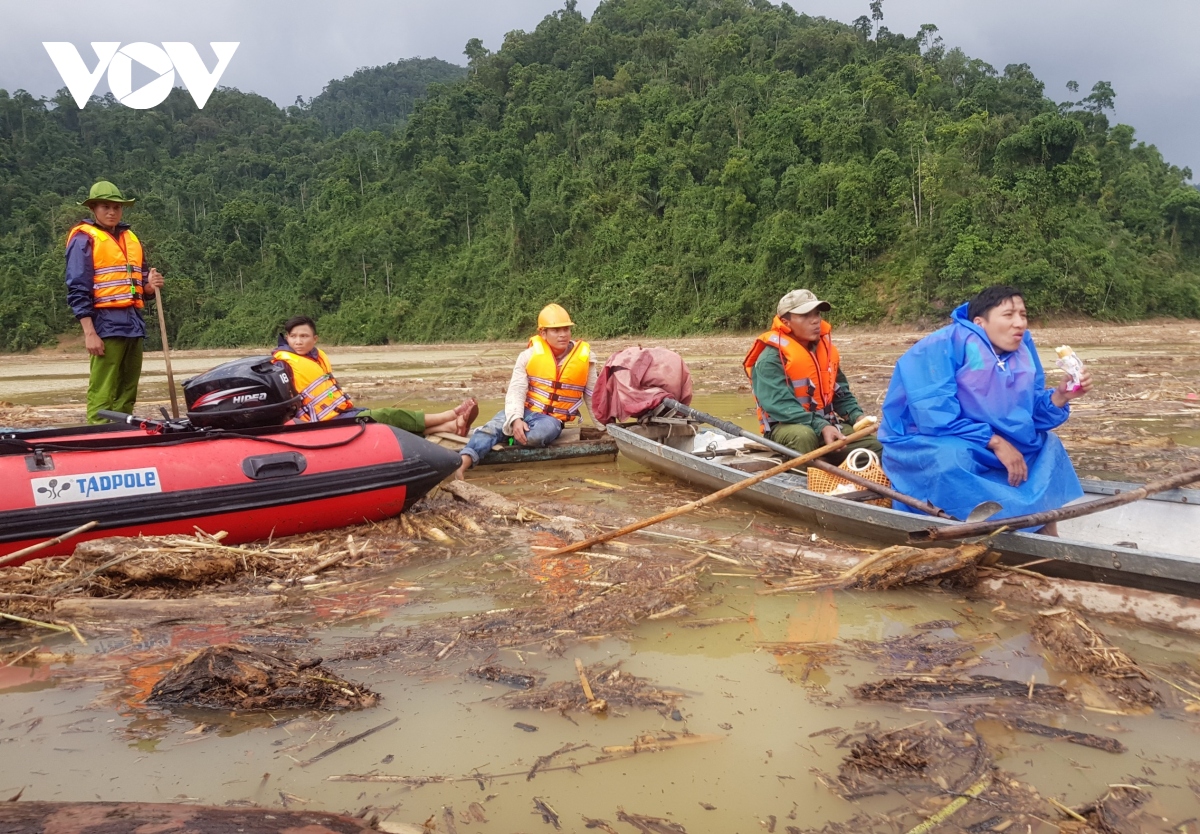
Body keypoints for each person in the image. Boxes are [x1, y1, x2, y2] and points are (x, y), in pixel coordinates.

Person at [878, 285, 1092, 528]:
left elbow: (1029, 413)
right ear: (980, 322)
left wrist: (1061, 396)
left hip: (991, 439)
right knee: (951, 458)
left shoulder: (1022, 349)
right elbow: (934, 417)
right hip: (929, 438)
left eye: (1023, 315)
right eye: (1008, 315)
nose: (1019, 323)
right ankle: (961, 525)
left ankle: (1041, 528)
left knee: (1048, 445)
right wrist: (996, 442)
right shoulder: (943, 345)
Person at [271, 315, 477, 435]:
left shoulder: (317, 357)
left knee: (382, 424)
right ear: (287, 338)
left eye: (304, 336)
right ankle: (450, 415)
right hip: (320, 423)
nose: (298, 341)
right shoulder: (282, 364)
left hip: (338, 414)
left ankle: (450, 426)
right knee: (387, 415)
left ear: (315, 339)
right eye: (293, 336)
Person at [456, 303, 597, 478]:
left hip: (551, 420)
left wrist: (603, 427)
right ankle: (462, 464)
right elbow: (516, 390)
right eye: (556, 330)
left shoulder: (586, 357)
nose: (563, 334)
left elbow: (593, 396)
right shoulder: (528, 356)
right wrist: (516, 419)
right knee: (492, 428)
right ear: (543, 333)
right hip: (525, 411)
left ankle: (502, 435)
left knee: (535, 436)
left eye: (566, 329)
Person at [66, 181, 166, 423]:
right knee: (103, 388)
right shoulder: (83, 239)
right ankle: (98, 436)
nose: (111, 212)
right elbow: (77, 287)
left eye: (116, 207)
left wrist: (150, 285)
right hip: (105, 324)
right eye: (105, 207)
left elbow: (140, 282)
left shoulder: (130, 237)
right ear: (93, 209)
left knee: (128, 388)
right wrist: (89, 332)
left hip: (133, 323)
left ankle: (122, 431)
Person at [744, 289, 881, 463]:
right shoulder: (770, 359)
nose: (815, 320)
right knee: (803, 437)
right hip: (787, 427)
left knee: (874, 447)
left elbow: (840, 393)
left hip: (825, 424)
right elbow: (781, 406)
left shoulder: (825, 351)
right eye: (805, 315)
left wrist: (857, 416)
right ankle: (804, 483)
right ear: (786, 322)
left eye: (817, 314)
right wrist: (821, 426)